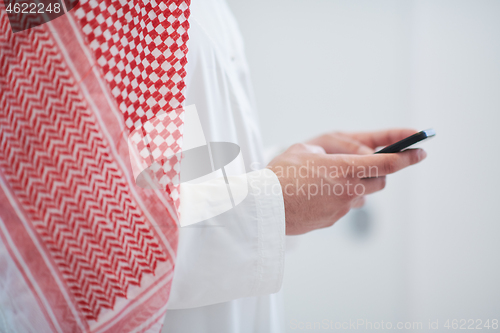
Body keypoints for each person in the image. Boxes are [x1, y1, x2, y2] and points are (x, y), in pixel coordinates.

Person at [161, 0, 426, 332]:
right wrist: (276, 200)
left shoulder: (211, 10)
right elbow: (123, 233)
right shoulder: (116, 20)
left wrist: (289, 166)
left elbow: (177, 166)